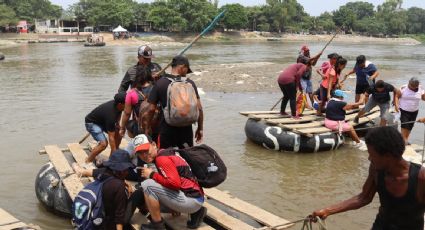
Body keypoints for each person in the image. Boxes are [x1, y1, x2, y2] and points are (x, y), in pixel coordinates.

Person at [312, 126, 425, 230]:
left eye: (372, 155)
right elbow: (364, 198)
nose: (369, 159)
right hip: (381, 225)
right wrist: (327, 211)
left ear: (388, 156)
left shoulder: (421, 178)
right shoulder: (376, 169)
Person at [133, 134, 207, 230]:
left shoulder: (161, 159)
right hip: (196, 198)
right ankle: (197, 212)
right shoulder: (165, 153)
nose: (144, 155)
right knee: (149, 198)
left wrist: (152, 175)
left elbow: (174, 184)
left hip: (191, 201)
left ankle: (157, 225)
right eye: (140, 153)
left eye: (146, 150)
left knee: (147, 185)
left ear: (154, 144)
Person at [144, 55, 203, 149]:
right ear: (182, 67)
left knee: (166, 157)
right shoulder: (190, 83)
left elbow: (151, 109)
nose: (186, 73)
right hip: (186, 130)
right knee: (187, 157)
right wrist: (200, 128)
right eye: (186, 70)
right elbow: (199, 108)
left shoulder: (160, 83)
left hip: (167, 129)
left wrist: (147, 128)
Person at [95, 149, 135, 230]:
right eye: (127, 169)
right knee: (137, 194)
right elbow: (119, 217)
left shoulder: (103, 173)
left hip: (98, 216)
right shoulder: (118, 186)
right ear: (122, 170)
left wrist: (125, 182)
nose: (127, 172)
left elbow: (90, 172)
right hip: (109, 223)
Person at [85, 93, 126, 164]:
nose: (128, 105)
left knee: (119, 134)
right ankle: (88, 161)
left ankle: (112, 157)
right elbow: (111, 137)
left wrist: (118, 125)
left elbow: (119, 113)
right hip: (92, 123)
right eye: (126, 103)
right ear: (120, 104)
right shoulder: (111, 115)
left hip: (102, 121)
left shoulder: (118, 106)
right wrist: (114, 150)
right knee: (104, 144)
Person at [119, 66, 153, 138]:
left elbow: (127, 113)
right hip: (155, 126)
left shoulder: (132, 93)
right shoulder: (155, 89)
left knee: (130, 125)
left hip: (140, 127)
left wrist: (122, 128)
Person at [396, 77, 425, 144]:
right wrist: (396, 105)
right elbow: (397, 96)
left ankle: (405, 139)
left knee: (410, 126)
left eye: (413, 86)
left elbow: (423, 98)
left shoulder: (420, 88)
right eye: (410, 85)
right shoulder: (403, 88)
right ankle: (403, 141)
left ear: (417, 86)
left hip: (414, 111)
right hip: (404, 110)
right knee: (404, 125)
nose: (411, 87)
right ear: (409, 83)